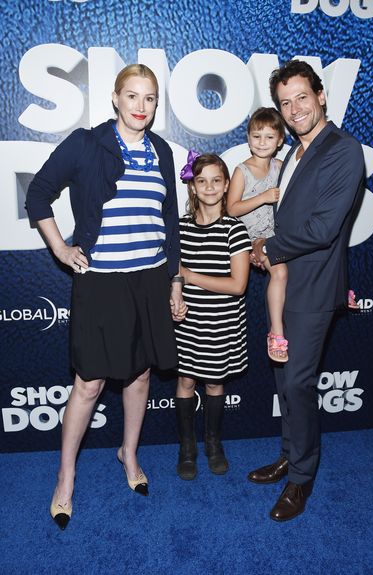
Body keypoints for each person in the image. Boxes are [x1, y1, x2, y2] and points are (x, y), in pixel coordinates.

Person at [26, 64, 186, 530]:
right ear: (115, 99)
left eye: (150, 98)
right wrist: (60, 247)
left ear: (157, 105)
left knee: (138, 377)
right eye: (132, 96)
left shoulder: (160, 151)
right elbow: (38, 194)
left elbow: (169, 220)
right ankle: (65, 476)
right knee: (90, 383)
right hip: (101, 282)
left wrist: (174, 280)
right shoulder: (86, 143)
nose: (141, 107)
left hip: (151, 280)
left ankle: (128, 455)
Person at [248, 60, 365, 521]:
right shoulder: (293, 153)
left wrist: (269, 248)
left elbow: (322, 229)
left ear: (321, 96)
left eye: (301, 97)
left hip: (314, 285)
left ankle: (301, 478)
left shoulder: (342, 149)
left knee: (297, 381)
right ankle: (289, 454)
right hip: (285, 281)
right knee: (284, 379)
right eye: (284, 102)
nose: (294, 109)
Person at [174, 152, 251, 480]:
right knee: (186, 380)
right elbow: (172, 273)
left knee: (215, 383)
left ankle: (213, 443)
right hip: (187, 323)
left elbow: (238, 285)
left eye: (216, 181)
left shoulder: (235, 230)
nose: (209, 187)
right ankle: (187, 447)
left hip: (221, 322)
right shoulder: (179, 228)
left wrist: (190, 277)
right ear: (193, 187)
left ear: (226, 186)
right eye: (201, 180)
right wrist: (175, 293)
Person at [227, 107, 289, 362]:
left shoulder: (282, 167)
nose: (262, 142)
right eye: (256, 136)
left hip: (277, 237)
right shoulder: (242, 170)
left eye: (269, 137)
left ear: (280, 141)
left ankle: (337, 292)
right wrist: (263, 197)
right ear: (248, 138)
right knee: (281, 272)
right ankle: (276, 333)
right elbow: (231, 208)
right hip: (248, 237)